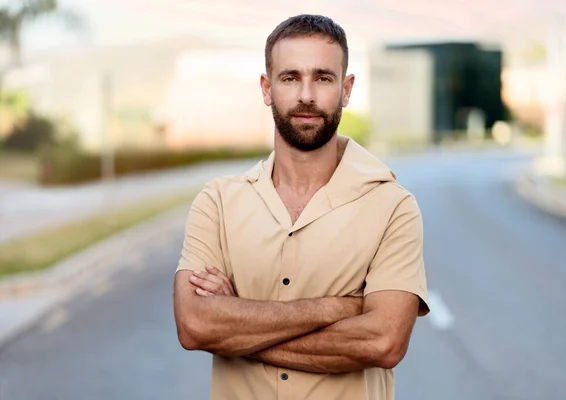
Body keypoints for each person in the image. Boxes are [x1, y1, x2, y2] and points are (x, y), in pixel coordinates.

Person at [173, 14, 430, 400]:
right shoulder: (218, 202)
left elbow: (383, 342)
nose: (306, 95)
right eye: (290, 77)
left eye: (323, 78)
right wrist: (336, 309)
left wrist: (235, 327)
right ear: (266, 87)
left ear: (346, 89)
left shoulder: (393, 206)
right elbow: (194, 325)